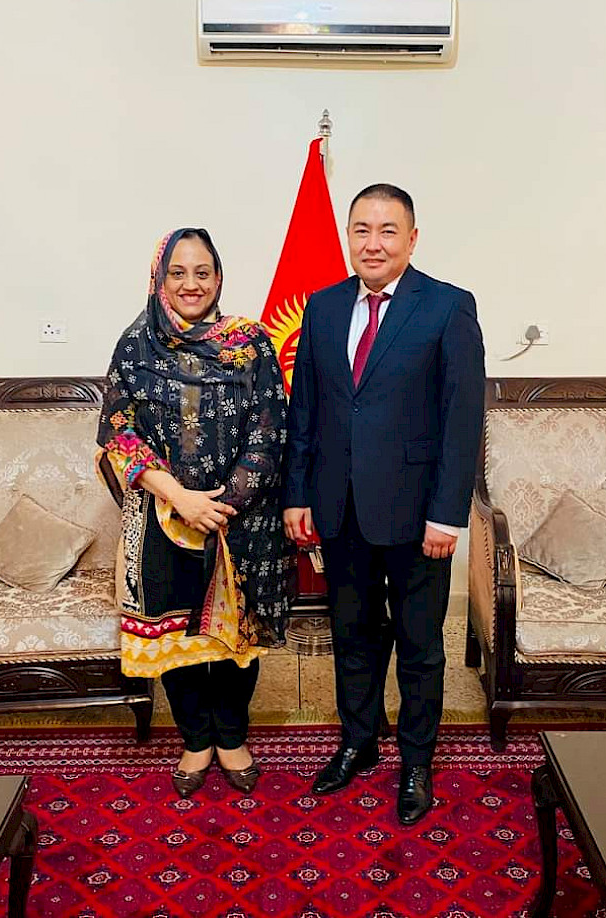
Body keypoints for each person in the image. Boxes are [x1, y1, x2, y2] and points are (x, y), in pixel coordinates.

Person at [283, 184, 485, 825]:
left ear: (412, 238)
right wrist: (298, 494)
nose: (373, 243)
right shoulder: (322, 307)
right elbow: (306, 410)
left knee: (420, 646)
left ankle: (417, 760)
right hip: (339, 508)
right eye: (362, 230)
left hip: (419, 516)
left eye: (388, 230)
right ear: (349, 236)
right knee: (352, 636)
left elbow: (461, 421)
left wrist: (447, 514)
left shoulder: (448, 307)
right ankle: (359, 742)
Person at [98, 227, 292, 798]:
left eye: (202, 272)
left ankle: (232, 735)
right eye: (177, 273)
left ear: (218, 277)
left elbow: (270, 429)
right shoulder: (135, 345)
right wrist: (180, 498)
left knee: (235, 641)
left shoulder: (250, 342)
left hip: (241, 520)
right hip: (163, 516)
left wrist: (224, 503)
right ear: (159, 279)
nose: (191, 284)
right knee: (178, 636)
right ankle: (195, 739)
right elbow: (119, 433)